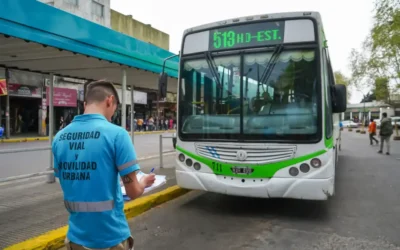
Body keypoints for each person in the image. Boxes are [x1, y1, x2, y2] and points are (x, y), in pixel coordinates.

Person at [52, 80, 155, 250]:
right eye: (115, 108)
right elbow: (133, 191)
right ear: (109, 100)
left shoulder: (59, 138)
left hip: (76, 238)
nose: (113, 113)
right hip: (111, 238)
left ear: (86, 104)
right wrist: (143, 182)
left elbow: (72, 181)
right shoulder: (117, 134)